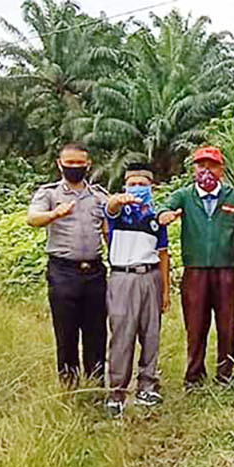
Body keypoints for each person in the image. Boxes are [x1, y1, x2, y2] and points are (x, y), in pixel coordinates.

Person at [159, 146, 234, 387]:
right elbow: (164, 207)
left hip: (227, 271)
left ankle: (225, 375)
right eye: (201, 166)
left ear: (221, 169)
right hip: (195, 272)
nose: (206, 171)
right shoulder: (184, 195)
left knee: (227, 325)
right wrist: (165, 215)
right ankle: (194, 376)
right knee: (195, 325)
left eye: (212, 165)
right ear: (194, 169)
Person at [27, 142, 110, 387]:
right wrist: (55, 214)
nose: (74, 167)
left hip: (95, 271)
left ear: (88, 164)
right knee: (66, 332)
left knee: (97, 331)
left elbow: (108, 230)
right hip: (63, 272)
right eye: (69, 163)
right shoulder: (49, 193)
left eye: (79, 163)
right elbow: (32, 219)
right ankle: (69, 385)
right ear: (59, 164)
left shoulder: (98, 195)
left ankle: (96, 384)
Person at [103, 163, 171, 417]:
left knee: (151, 333)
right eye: (133, 184)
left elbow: (163, 255)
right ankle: (117, 391)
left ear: (152, 188)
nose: (137, 188)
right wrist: (117, 201)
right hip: (123, 276)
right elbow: (110, 208)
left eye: (143, 184)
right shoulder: (118, 213)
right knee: (122, 334)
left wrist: (165, 290)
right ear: (125, 186)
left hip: (150, 276)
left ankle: (147, 385)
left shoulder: (155, 217)